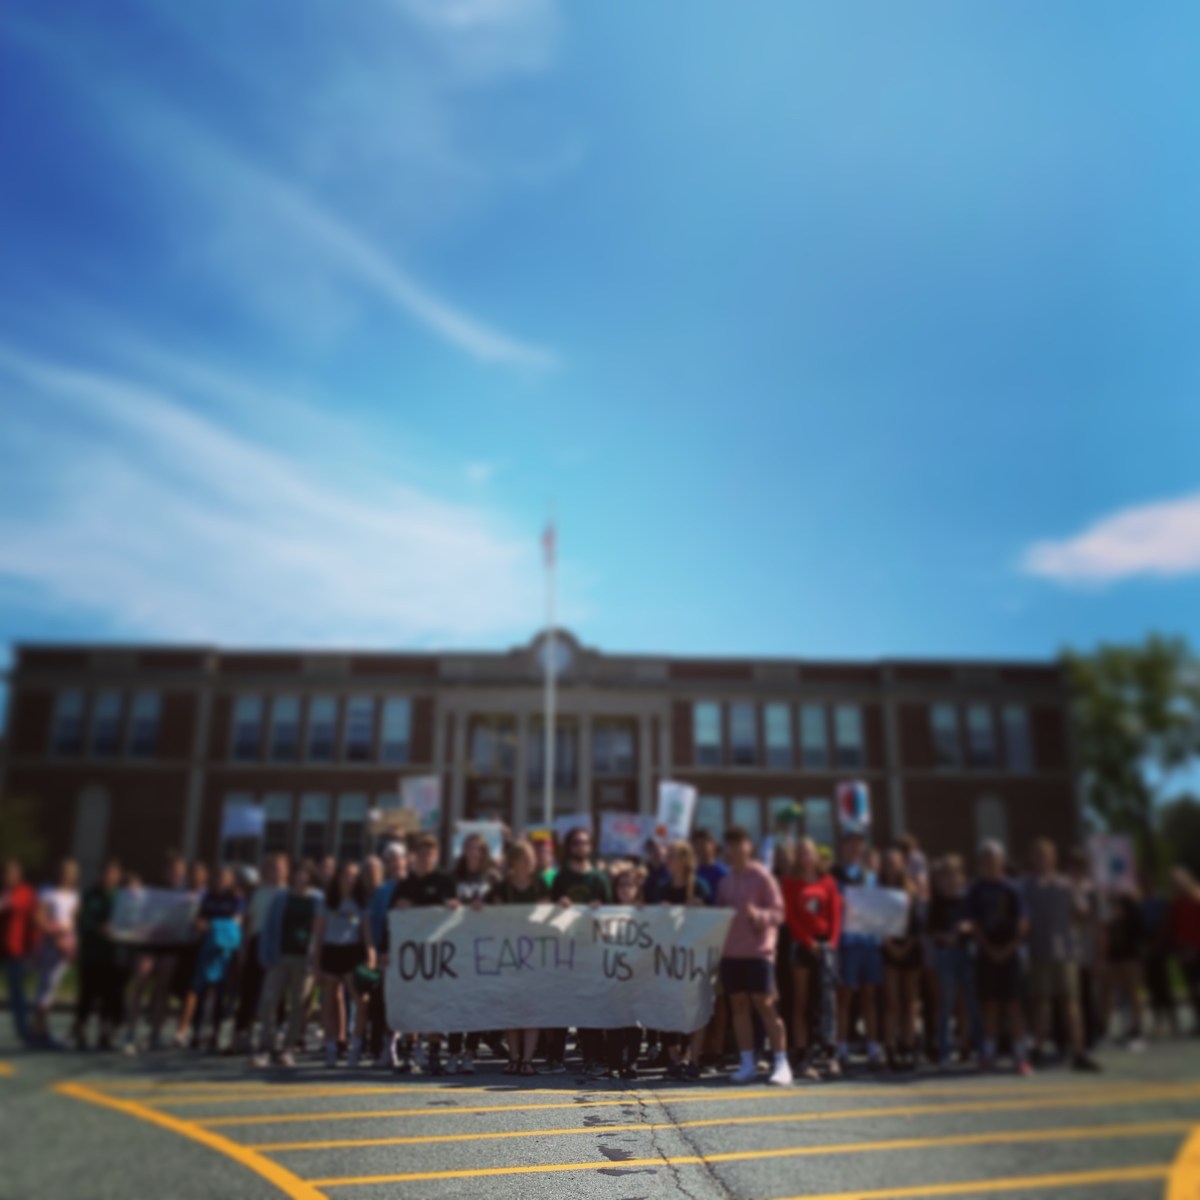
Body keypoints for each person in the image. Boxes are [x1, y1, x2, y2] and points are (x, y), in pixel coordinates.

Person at [716, 826, 791, 1086]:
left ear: (749, 846)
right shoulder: (724, 882)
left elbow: (779, 913)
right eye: (730, 845)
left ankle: (781, 1062)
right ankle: (747, 1062)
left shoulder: (762, 876)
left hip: (759, 952)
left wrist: (759, 916)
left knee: (766, 1005)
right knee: (738, 1006)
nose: (735, 850)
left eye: (740, 844)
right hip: (731, 953)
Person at [1023, 839, 1100, 1072]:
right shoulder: (1028, 887)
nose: (1042, 860)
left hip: (1065, 952)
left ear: (1053, 858)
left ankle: (1079, 1051)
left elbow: (1083, 913)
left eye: (1046, 855)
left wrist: (1080, 911)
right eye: (1037, 856)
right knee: (1041, 1002)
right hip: (1039, 950)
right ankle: (1036, 1048)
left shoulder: (1066, 885)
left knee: (1070, 1002)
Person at [384, 833, 458, 1074]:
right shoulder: (405, 886)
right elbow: (391, 921)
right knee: (411, 1004)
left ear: (436, 856)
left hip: (438, 955)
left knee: (435, 1005)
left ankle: (434, 1054)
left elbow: (458, 918)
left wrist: (455, 909)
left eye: (430, 853)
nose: (426, 858)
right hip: (411, 956)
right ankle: (408, 1052)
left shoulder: (445, 882)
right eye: (422, 853)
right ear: (414, 856)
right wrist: (385, 949)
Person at [966, 840, 1031, 1075]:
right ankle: (988, 1052)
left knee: (1014, 1006)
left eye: (993, 858)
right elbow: (973, 923)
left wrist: (1009, 948)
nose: (989, 863)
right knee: (990, 1005)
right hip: (986, 954)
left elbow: (1023, 922)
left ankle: (1020, 1056)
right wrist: (989, 948)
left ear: (1001, 861)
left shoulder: (1012, 889)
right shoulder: (976, 890)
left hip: (1011, 954)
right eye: (985, 859)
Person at [551, 826, 612, 1073]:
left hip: (592, 951)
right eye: (575, 842)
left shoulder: (599, 879)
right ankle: (555, 1057)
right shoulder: (560, 878)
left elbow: (613, 914)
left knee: (590, 1006)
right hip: (565, 951)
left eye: (584, 842)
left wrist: (601, 909)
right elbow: (546, 914)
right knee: (562, 1005)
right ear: (569, 847)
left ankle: (592, 1057)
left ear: (590, 846)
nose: (580, 846)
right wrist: (558, 905)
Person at [781, 837, 842, 1080]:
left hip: (826, 947)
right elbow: (792, 918)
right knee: (802, 1002)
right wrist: (809, 943)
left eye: (809, 852)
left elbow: (836, 916)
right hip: (802, 947)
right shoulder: (790, 883)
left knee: (827, 1002)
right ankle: (803, 1055)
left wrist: (831, 944)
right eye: (801, 853)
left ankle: (829, 1053)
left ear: (817, 856)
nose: (806, 857)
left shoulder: (828, 882)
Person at [254, 861, 323, 1068]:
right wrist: (266, 955)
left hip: (304, 958)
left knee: (299, 1005)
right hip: (280, 955)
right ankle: (267, 1045)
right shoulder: (281, 896)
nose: (301, 878)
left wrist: (317, 961)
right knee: (268, 1000)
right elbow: (269, 927)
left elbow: (319, 931)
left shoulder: (317, 898)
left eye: (305, 874)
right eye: (298, 873)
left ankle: (287, 1048)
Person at [124, 851, 190, 1054]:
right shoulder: (153, 890)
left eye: (179, 872)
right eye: (172, 871)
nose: (175, 874)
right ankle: (131, 1031)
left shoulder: (185, 894)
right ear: (166, 871)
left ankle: (155, 1032)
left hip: (170, 946)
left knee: (163, 989)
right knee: (140, 981)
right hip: (149, 943)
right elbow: (138, 913)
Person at [494, 840, 549, 1077]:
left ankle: (527, 1059)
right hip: (508, 954)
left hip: (535, 954)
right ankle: (513, 1056)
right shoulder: (503, 888)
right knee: (511, 1008)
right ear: (515, 862)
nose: (530, 862)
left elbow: (547, 917)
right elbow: (492, 916)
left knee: (531, 1008)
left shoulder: (540, 886)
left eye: (531, 859)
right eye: (525, 858)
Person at [447, 833, 501, 1074]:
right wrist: (450, 905)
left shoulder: (492, 878)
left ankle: (470, 1052)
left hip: (483, 947)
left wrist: (487, 908)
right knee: (457, 1002)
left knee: (476, 1003)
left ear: (483, 852)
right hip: (458, 946)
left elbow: (503, 910)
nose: (473, 852)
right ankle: (453, 1051)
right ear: (464, 851)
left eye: (478, 848)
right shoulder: (453, 877)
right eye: (469, 848)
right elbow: (440, 905)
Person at [832, 830, 885, 1071]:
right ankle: (841, 1048)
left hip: (869, 944)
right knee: (845, 998)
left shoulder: (871, 877)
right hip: (848, 943)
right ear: (843, 847)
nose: (854, 848)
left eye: (858, 844)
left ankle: (873, 1047)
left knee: (870, 997)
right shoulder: (836, 876)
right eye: (850, 844)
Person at [659, 841, 711, 1081]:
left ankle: (693, 1058)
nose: (667, 860)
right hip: (670, 957)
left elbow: (714, 922)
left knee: (696, 1008)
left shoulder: (699, 887)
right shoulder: (664, 888)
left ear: (684, 860)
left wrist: (700, 910)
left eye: (672, 856)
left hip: (696, 956)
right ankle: (674, 1057)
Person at [315, 861, 374, 1067]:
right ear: (339, 877)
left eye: (354, 876)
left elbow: (366, 933)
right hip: (332, 951)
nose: (350, 879)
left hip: (353, 951)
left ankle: (356, 1046)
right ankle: (330, 1046)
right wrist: (316, 964)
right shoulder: (327, 901)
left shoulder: (361, 902)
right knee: (330, 1001)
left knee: (361, 1000)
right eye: (346, 874)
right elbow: (319, 934)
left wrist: (370, 955)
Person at [928, 855, 981, 1067]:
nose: (951, 878)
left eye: (955, 873)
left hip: (967, 951)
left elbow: (977, 922)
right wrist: (945, 937)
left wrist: (968, 927)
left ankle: (976, 1047)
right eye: (946, 874)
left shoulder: (968, 898)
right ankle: (945, 1050)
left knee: (971, 1002)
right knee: (946, 1003)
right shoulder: (937, 901)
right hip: (946, 954)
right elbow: (931, 931)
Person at [188, 865, 244, 1053]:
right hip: (206, 949)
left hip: (225, 952)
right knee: (201, 991)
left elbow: (236, 923)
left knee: (221, 993)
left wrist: (212, 925)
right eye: (219, 876)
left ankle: (215, 1032)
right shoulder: (208, 898)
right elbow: (199, 920)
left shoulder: (235, 899)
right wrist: (204, 925)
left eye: (225, 877)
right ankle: (196, 1032)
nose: (221, 880)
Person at [234, 854, 287, 1054]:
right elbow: (248, 921)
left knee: (277, 992)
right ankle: (242, 1033)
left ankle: (275, 1034)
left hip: (280, 944)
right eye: (272, 868)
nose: (276, 872)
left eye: (280, 868)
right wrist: (244, 948)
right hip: (257, 941)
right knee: (249, 989)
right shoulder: (258, 894)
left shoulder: (288, 893)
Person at [880, 847, 924, 1071]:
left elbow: (918, 923)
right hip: (888, 949)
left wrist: (906, 946)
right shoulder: (876, 890)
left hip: (911, 949)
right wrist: (889, 945)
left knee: (910, 1002)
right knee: (891, 1002)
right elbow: (873, 921)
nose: (890, 866)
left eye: (894, 862)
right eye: (887, 862)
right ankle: (890, 1047)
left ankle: (909, 1044)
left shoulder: (911, 891)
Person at [73, 859, 123, 1051]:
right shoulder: (90, 895)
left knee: (110, 995)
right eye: (106, 872)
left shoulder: (122, 896)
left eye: (113, 873)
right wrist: (97, 928)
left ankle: (105, 1032)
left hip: (113, 955)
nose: (109, 876)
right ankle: (80, 1029)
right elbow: (83, 920)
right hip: (92, 954)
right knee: (87, 993)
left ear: (118, 876)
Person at [30, 858, 80, 1047]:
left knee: (52, 986)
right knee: (46, 985)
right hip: (51, 944)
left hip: (66, 944)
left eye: (71, 872)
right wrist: (54, 936)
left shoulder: (74, 896)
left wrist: (70, 942)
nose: (67, 876)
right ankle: (39, 1029)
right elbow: (38, 918)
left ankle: (40, 1029)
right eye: (64, 871)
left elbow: (72, 919)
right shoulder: (48, 892)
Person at [366, 843, 407, 1069]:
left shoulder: (412, 886)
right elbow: (374, 923)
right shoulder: (382, 892)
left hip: (411, 955)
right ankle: (384, 1048)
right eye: (390, 859)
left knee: (409, 1003)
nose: (395, 863)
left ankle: (409, 1050)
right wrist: (377, 951)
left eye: (398, 858)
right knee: (383, 1003)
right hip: (387, 953)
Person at [608, 862, 647, 1080]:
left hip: (638, 975)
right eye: (621, 885)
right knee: (614, 1020)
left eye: (630, 885)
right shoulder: (606, 912)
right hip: (613, 974)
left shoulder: (645, 912)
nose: (625, 889)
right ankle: (614, 1062)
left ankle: (631, 1062)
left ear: (637, 888)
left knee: (634, 1021)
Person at [1066, 847, 1106, 1051]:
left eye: (1080, 866)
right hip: (1068, 950)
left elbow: (1099, 925)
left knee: (1088, 994)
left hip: (1087, 948)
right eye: (1073, 866)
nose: (1076, 870)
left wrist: (1100, 956)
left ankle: (1091, 1035)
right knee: (1071, 997)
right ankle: (1070, 1038)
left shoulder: (1092, 892)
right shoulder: (1063, 889)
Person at [0, 858, 39, 1045]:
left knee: (17, 993)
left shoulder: (25, 893)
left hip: (16, 951)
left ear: (19, 875)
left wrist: (32, 949)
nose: (7, 876)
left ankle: (24, 1031)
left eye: (11, 873)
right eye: (5, 872)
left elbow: (33, 922)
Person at [1106, 883, 1147, 1050]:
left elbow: (1139, 930)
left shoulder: (1131, 906)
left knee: (1133, 992)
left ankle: (1137, 1029)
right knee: (1117, 993)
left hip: (1130, 955)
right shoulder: (1108, 906)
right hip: (1115, 956)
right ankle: (1123, 1027)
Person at [1170, 867, 1200, 1035]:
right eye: (1174, 883)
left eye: (1179, 881)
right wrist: (1180, 948)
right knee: (1192, 988)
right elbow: (1176, 927)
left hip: (1197, 949)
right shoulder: (1177, 903)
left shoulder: (1197, 897)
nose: (1177, 885)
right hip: (1185, 951)